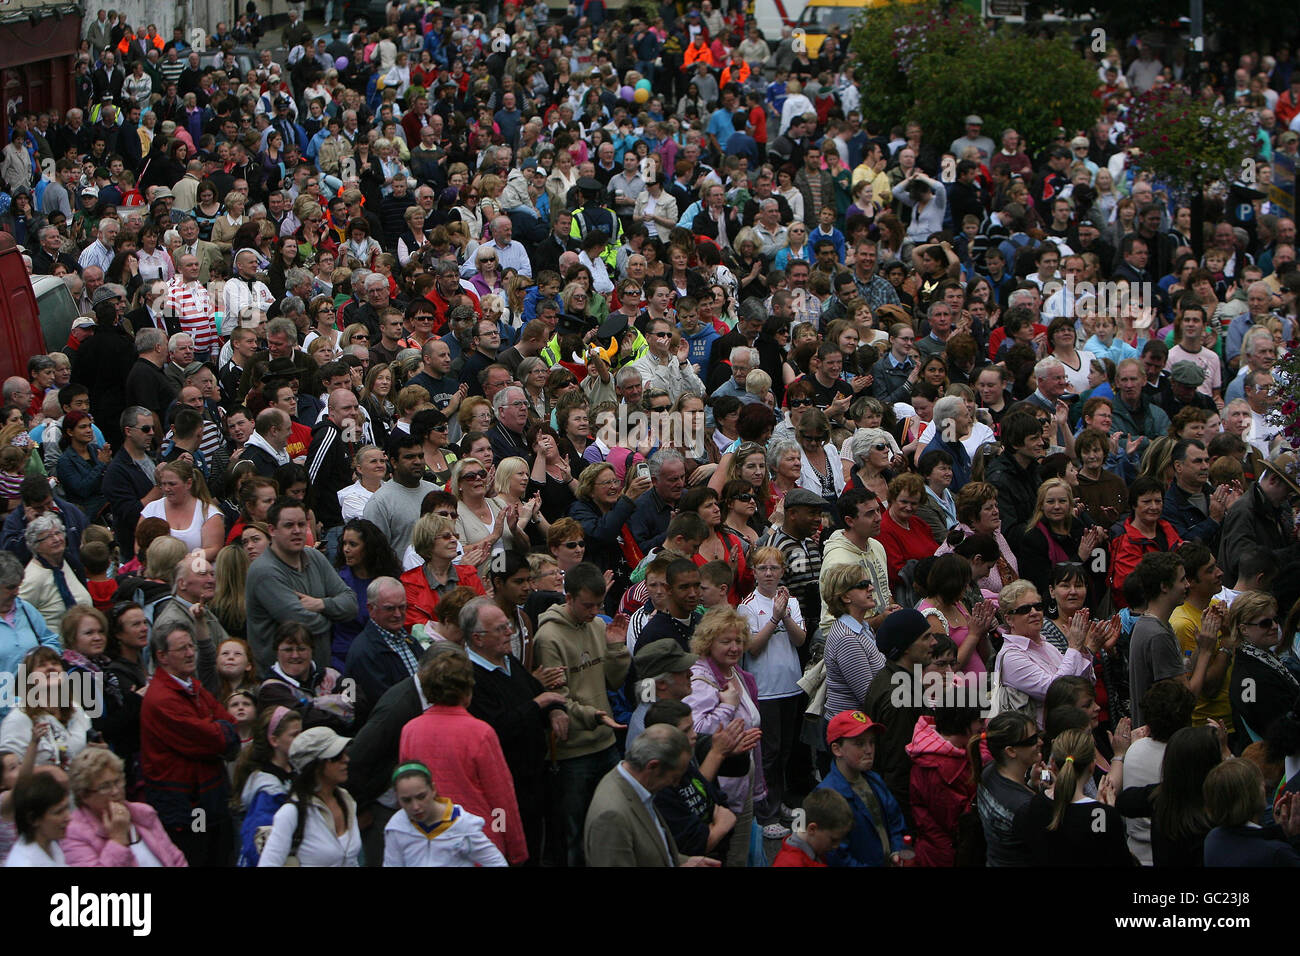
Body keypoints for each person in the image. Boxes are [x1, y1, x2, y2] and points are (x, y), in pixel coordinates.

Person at [533, 562, 630, 866]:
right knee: (573, 834)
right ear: (569, 597)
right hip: (572, 751)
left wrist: (615, 649)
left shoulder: (598, 626)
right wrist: (594, 715)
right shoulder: (548, 637)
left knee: (613, 823)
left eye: (598, 605)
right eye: (587, 605)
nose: (593, 612)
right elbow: (557, 698)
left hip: (605, 741)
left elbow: (613, 680)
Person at [397, 650, 527, 865]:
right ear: (467, 691)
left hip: (428, 844)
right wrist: (514, 848)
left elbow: (404, 792)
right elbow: (501, 799)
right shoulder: (480, 733)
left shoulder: (410, 731)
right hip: (478, 844)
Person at [139, 620, 240, 867]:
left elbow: (228, 722)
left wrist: (217, 728)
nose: (190, 653)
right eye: (182, 649)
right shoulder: (163, 699)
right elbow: (213, 739)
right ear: (162, 656)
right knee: (198, 858)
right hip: (185, 806)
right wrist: (218, 729)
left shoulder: (191, 685)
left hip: (208, 797)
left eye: (191, 646)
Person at [683, 606, 769, 866]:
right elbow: (696, 730)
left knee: (740, 852)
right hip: (720, 786)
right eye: (726, 641)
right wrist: (727, 706)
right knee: (728, 855)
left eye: (739, 641)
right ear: (708, 643)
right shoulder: (701, 680)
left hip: (741, 777)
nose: (734, 647)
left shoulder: (737, 674)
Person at [245, 497, 359, 673]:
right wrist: (334, 616)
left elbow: (351, 604)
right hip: (278, 679)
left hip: (318, 674)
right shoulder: (264, 571)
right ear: (272, 530)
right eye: (289, 525)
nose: (297, 531)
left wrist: (321, 604)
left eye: (301, 524)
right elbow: (302, 623)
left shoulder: (315, 557)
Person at [582, 723, 720, 867]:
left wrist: (682, 861)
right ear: (653, 766)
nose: (675, 784)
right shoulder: (611, 816)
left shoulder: (636, 787)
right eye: (674, 777)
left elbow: (650, 851)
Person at [1012, 727, 1134, 866]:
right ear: (1092, 766)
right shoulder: (1100, 815)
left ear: (1053, 765)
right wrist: (1105, 812)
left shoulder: (1034, 805)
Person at [995, 579, 1103, 725]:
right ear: (1009, 619)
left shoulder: (1047, 646)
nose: (1034, 613)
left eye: (1037, 606)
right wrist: (1074, 647)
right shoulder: (1011, 657)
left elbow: (1083, 685)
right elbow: (1056, 692)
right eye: (1024, 609)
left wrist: (1083, 650)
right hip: (1040, 740)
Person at [62, 748, 187, 867]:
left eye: (117, 781)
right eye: (105, 786)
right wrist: (117, 839)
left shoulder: (143, 813)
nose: (116, 791)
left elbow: (176, 859)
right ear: (84, 795)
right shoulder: (73, 833)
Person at [257, 726, 361, 867]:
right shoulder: (291, 812)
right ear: (315, 766)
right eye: (337, 756)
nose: (346, 759)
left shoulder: (347, 800)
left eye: (345, 753)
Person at [817, 710, 909, 867]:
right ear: (837, 749)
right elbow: (837, 856)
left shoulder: (874, 779)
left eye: (872, 742)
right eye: (859, 743)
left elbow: (895, 820)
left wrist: (896, 850)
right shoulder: (827, 797)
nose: (869, 750)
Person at [382, 761, 508, 867]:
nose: (415, 806)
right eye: (406, 800)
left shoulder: (462, 824)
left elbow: (496, 862)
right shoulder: (396, 827)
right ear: (397, 798)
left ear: (433, 789)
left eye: (421, 797)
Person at [906, 703, 984, 867]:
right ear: (963, 722)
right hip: (944, 856)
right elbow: (957, 822)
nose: (983, 726)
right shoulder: (938, 769)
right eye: (979, 720)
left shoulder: (954, 752)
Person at [974, 711, 1044, 867]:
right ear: (1011, 751)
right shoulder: (1025, 806)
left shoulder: (988, 771)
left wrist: (1032, 785)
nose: (1040, 742)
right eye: (1032, 740)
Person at [1203, 758, 1300, 866]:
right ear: (1252, 797)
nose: (1264, 786)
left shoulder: (1213, 838)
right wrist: (1295, 839)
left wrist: (1279, 831)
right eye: (1259, 784)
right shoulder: (1277, 853)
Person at [18, 514, 92, 631]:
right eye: (48, 537)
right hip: (54, 646)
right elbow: (18, 617)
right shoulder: (32, 578)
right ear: (35, 545)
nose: (57, 539)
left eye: (58, 533)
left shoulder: (70, 563)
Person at [4, 770, 71, 867]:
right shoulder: (24, 863)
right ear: (33, 819)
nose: (68, 817)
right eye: (58, 812)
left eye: (67, 808)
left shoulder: (51, 845)